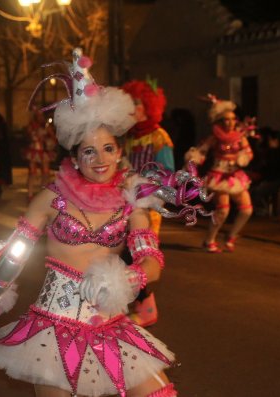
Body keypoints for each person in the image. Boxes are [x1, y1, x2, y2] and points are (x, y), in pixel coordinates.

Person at [0, 48, 208, 397]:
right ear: (75, 158)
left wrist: (127, 277)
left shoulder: (132, 199)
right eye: (89, 151)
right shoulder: (51, 198)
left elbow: (151, 263)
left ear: (120, 151)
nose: (100, 159)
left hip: (110, 325)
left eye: (108, 148)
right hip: (53, 330)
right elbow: (17, 250)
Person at [121, 79, 174, 327]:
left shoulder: (160, 137)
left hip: (148, 205)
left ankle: (147, 307)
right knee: (124, 255)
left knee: (139, 255)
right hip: (127, 204)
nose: (133, 108)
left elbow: (167, 175)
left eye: (137, 103)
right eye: (130, 102)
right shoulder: (129, 137)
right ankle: (141, 305)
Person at [185, 94, 253, 253]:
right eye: (226, 119)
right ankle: (209, 240)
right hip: (219, 176)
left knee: (247, 209)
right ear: (220, 121)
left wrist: (243, 159)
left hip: (235, 176)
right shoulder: (215, 137)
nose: (230, 122)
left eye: (233, 119)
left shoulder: (240, 137)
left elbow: (248, 152)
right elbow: (201, 151)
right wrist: (193, 160)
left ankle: (231, 236)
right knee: (223, 210)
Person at [249, 128, 280, 216]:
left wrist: (263, 177)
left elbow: (276, 171)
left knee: (259, 190)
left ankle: (261, 211)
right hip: (271, 178)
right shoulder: (270, 152)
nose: (269, 142)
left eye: (270, 139)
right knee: (251, 188)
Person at [25, 107, 56, 201]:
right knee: (32, 173)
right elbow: (28, 136)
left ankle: (43, 193)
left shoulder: (47, 126)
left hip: (44, 151)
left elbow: (54, 138)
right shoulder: (31, 125)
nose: (40, 117)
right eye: (38, 115)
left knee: (46, 173)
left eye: (41, 115)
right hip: (34, 150)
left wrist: (47, 140)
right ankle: (30, 194)